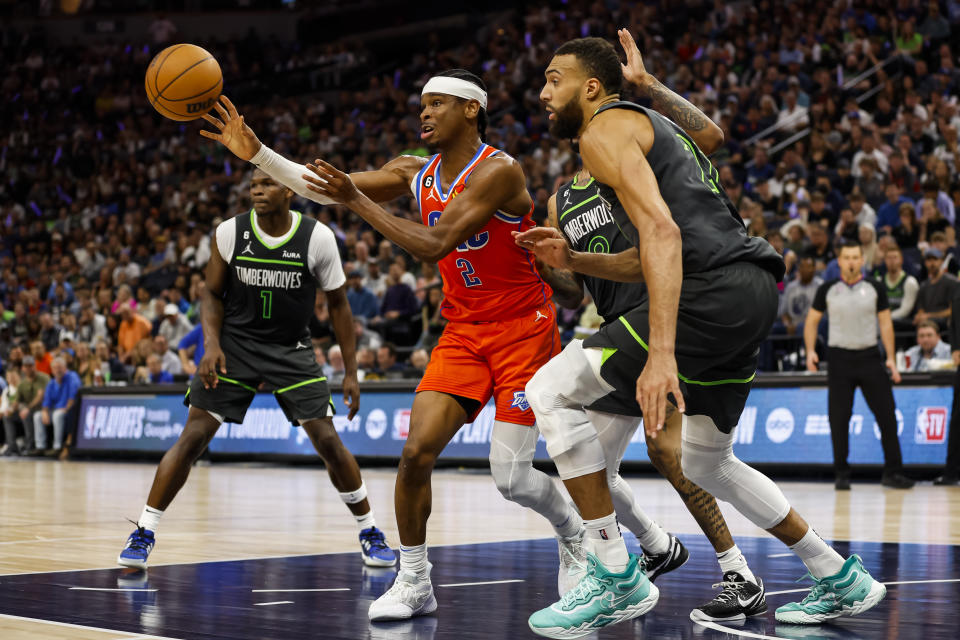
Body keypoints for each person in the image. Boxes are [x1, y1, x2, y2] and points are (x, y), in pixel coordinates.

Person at [521, 34, 885, 636]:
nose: (542, 92)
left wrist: (661, 354)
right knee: (708, 462)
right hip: (749, 289)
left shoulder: (604, 129)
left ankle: (613, 572)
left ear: (590, 88)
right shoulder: (644, 127)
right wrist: (577, 261)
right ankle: (838, 574)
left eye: (552, 79)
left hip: (703, 292)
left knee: (550, 393)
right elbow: (705, 149)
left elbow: (662, 236)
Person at [201, 74, 583, 620]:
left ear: (472, 110)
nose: (424, 114)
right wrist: (259, 153)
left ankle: (571, 532)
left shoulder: (501, 170)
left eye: (438, 104)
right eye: (421, 105)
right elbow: (321, 184)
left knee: (512, 477)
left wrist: (355, 201)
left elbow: (432, 244)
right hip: (463, 332)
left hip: (524, 328)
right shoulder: (413, 171)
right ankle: (416, 580)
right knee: (414, 454)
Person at [516, 32, 765, 621]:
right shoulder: (560, 201)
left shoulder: (629, 138)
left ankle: (727, 570)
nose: (545, 95)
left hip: (662, 317)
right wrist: (552, 264)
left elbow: (707, 139)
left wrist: (649, 87)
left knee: (666, 452)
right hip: (615, 324)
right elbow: (579, 285)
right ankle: (639, 555)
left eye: (555, 82)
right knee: (585, 464)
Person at [118, 169, 397, 571]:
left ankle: (369, 530)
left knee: (328, 442)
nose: (257, 191)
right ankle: (144, 531)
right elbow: (211, 293)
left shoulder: (317, 238)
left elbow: (339, 305)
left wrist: (351, 372)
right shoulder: (230, 232)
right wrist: (210, 344)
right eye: (252, 186)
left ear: (289, 189)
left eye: (266, 184)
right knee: (193, 437)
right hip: (235, 346)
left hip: (291, 348)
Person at [804, 242, 914, 491]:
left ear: (862, 260)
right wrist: (810, 351)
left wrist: (891, 359)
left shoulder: (875, 288)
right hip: (839, 359)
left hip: (870, 357)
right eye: (847, 257)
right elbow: (811, 322)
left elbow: (886, 324)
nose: (852, 261)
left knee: (887, 416)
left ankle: (893, 472)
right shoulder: (827, 289)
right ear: (839, 261)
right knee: (839, 419)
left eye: (855, 257)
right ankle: (841, 473)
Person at [938, 291, 960, 485]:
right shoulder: (957, 297)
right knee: (957, 419)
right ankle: (951, 472)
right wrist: (955, 348)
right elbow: (952, 325)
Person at [39, 356, 81, 454]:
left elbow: (73, 398)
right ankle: (40, 447)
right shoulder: (52, 382)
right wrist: (44, 411)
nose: (57, 370)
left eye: (60, 367)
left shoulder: (72, 377)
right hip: (55, 410)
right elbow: (46, 401)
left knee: (57, 415)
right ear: (52, 370)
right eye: (55, 368)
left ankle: (57, 447)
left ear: (65, 367)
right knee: (38, 416)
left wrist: (66, 409)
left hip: (70, 410)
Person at [915, 247, 958, 331]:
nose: (932, 263)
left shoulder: (952, 282)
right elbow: (920, 309)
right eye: (928, 260)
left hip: (945, 321)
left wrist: (928, 316)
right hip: (926, 320)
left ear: (942, 261)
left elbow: (953, 310)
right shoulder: (924, 285)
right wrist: (920, 316)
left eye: (935, 259)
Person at [883, 244, 920, 331]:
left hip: (903, 325)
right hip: (884, 323)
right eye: (889, 258)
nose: (892, 261)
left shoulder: (910, 282)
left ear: (901, 260)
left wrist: (883, 318)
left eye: (895, 257)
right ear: (885, 260)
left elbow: (905, 310)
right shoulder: (880, 281)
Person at [17, 355, 48, 455]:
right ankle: (12, 445)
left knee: (30, 415)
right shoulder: (22, 383)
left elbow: (41, 397)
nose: (28, 368)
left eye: (31, 366)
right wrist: (10, 409)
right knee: (7, 417)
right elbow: (17, 400)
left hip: (43, 408)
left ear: (35, 366)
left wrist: (27, 408)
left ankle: (32, 446)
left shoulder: (44, 378)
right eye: (26, 366)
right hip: (29, 409)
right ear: (22, 368)